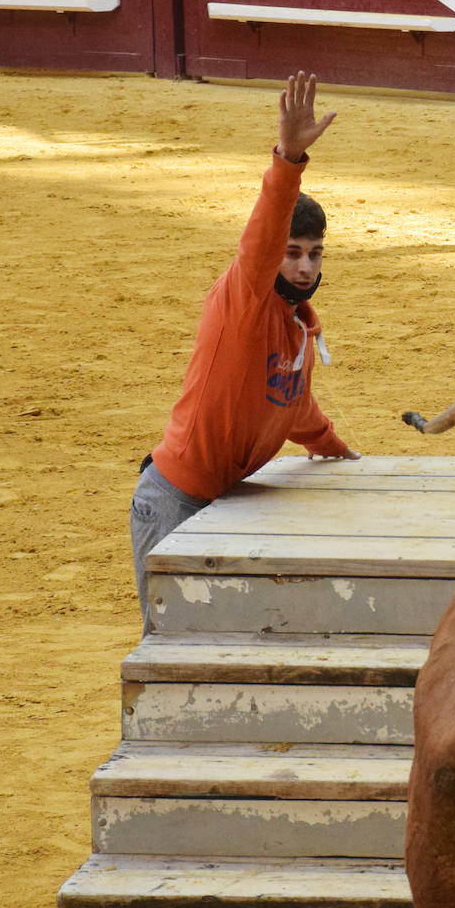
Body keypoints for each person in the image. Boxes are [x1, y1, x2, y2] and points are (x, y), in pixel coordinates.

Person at [130, 71, 359, 631]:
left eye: (315, 254)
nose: (305, 267)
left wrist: (335, 449)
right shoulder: (245, 301)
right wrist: (288, 158)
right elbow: (260, 240)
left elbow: (292, 405)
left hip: (227, 504)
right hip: (175, 505)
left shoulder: (297, 327)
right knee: (176, 651)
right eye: (293, 254)